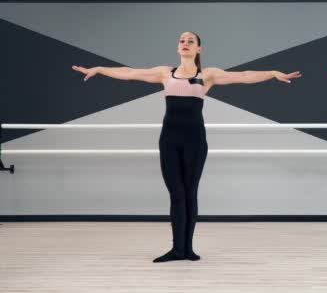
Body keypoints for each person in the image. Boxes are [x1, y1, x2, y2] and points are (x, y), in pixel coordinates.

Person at [72, 31, 301, 262]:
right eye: (182, 40)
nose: (186, 43)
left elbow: (243, 75)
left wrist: (272, 73)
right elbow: (130, 73)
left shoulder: (207, 74)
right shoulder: (165, 73)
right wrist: (99, 69)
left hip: (195, 141)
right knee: (176, 195)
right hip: (169, 141)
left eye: (191, 41)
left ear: (198, 49)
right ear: (177, 47)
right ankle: (176, 250)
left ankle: (188, 249)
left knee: (190, 193)